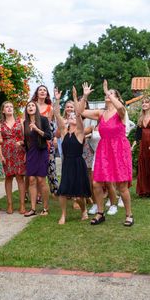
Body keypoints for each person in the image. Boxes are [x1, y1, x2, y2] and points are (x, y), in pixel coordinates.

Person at [78, 80, 133, 226]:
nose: (108, 96)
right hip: (104, 149)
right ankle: (100, 213)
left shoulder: (121, 113)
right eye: (107, 94)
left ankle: (129, 215)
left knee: (122, 186)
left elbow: (120, 107)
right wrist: (84, 97)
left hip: (119, 149)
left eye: (112, 94)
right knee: (96, 183)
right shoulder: (100, 114)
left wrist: (108, 91)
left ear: (117, 98)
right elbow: (80, 111)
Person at [53, 87, 91, 224]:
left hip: (78, 163)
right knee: (62, 191)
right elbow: (57, 115)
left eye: (74, 116)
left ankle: (83, 210)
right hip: (67, 163)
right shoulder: (64, 132)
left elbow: (80, 114)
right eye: (70, 116)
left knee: (79, 196)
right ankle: (63, 215)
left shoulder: (80, 132)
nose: (72, 117)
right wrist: (56, 100)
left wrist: (80, 98)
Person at [23, 100, 53, 216]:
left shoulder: (43, 120)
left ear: (36, 108)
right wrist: (23, 145)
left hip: (41, 151)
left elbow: (49, 136)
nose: (30, 107)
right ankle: (33, 209)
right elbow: (27, 140)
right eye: (28, 106)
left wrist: (36, 129)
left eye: (32, 105)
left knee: (41, 180)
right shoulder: (25, 122)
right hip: (31, 153)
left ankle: (45, 208)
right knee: (31, 180)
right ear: (26, 110)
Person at [0, 101, 26, 214]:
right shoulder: (0, 124)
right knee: (8, 178)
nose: (9, 108)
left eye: (11, 106)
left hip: (19, 151)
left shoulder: (21, 122)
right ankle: (10, 204)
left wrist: (24, 147)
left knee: (20, 178)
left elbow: (26, 138)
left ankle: (22, 205)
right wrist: (0, 155)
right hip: (6, 153)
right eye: (7, 107)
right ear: (3, 110)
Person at [31, 85, 59, 194]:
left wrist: (55, 137)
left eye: (44, 90)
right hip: (34, 141)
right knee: (34, 169)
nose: (42, 92)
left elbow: (53, 125)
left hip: (47, 140)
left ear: (47, 94)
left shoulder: (50, 108)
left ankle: (55, 191)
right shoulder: (32, 106)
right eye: (40, 90)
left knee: (50, 166)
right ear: (36, 93)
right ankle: (36, 194)